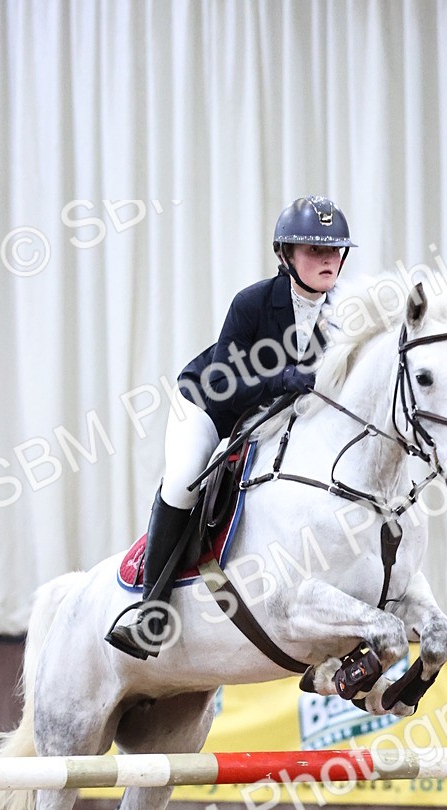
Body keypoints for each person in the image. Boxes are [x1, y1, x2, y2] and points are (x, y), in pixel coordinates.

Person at [107, 195, 356, 659]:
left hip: (274, 418)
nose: (328, 259)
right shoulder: (253, 302)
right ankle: (152, 613)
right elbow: (222, 383)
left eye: (334, 250)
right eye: (314, 249)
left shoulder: (344, 314)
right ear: (286, 255)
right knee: (184, 482)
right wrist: (279, 380)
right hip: (209, 407)